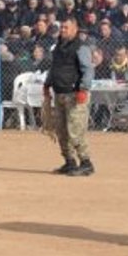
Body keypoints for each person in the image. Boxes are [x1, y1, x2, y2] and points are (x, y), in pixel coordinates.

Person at [43, 17, 94, 176]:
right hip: (59, 93)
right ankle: (69, 162)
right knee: (61, 131)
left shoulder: (81, 47)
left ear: (75, 29)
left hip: (75, 94)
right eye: (62, 27)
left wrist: (83, 89)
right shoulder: (58, 47)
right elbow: (54, 68)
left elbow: (88, 70)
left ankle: (86, 163)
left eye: (66, 27)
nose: (63, 30)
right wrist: (47, 84)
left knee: (75, 130)